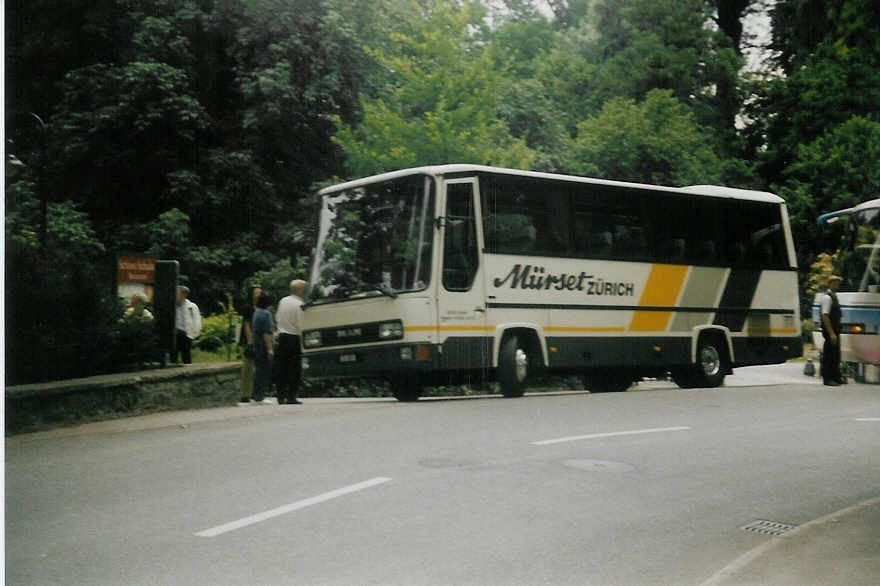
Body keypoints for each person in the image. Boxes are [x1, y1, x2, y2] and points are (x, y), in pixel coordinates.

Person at [274, 280, 307, 404]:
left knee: (282, 367)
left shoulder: (283, 301)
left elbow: (277, 318)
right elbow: (301, 324)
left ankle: (280, 396)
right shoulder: (300, 304)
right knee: (294, 369)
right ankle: (291, 396)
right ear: (300, 290)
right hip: (294, 337)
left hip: (282, 336)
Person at [238, 285, 261, 403]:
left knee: (255, 368)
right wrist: (250, 341)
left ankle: (253, 392)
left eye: (260, 293)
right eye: (256, 293)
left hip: (258, 340)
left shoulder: (260, 307)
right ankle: (244, 394)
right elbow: (246, 324)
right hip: (249, 341)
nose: (258, 295)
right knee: (247, 367)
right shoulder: (248, 307)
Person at [251, 292, 275, 403]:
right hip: (263, 346)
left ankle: (255, 395)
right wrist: (270, 348)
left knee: (258, 370)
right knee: (264, 371)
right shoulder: (266, 314)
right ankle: (260, 396)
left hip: (256, 344)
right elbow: (267, 333)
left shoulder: (256, 312)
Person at [820, 274, 843, 386]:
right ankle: (828, 378)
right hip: (830, 331)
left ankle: (836, 377)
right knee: (829, 355)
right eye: (834, 282)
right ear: (829, 284)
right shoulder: (827, 297)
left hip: (835, 329)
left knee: (835, 355)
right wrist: (831, 333)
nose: (836, 285)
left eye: (837, 283)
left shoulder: (834, 296)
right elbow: (825, 316)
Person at [174, 285, 202, 364]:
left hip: (186, 334)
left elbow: (197, 321)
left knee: (186, 355)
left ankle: (188, 370)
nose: (176, 295)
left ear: (183, 295)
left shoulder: (192, 306)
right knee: (173, 354)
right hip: (174, 333)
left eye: (177, 293)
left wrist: (194, 334)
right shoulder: (173, 306)